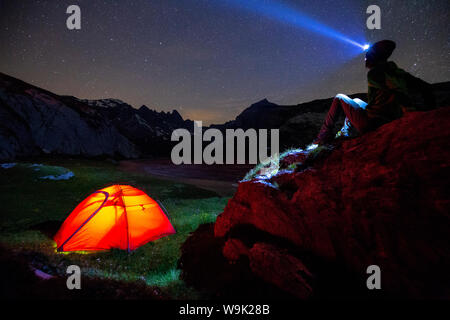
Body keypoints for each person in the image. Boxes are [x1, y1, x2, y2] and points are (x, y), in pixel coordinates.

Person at [313, 39, 435, 145]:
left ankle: (323, 137)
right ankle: (344, 133)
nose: (365, 59)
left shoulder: (376, 73)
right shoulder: (398, 71)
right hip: (387, 117)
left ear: (373, 57)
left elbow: (396, 90)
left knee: (339, 97)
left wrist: (409, 111)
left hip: (373, 122)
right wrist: (429, 108)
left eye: (367, 57)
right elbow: (425, 87)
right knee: (356, 101)